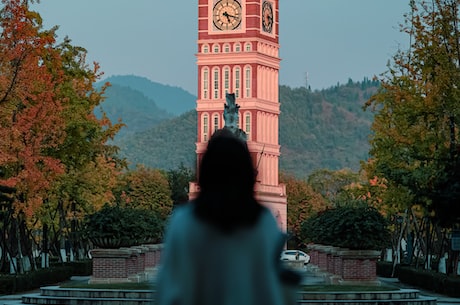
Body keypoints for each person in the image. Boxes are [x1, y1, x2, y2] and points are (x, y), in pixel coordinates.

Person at [156, 129, 299, 305]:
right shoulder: (262, 222)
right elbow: (269, 289)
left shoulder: (184, 222)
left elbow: (169, 289)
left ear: (205, 172)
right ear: (247, 173)